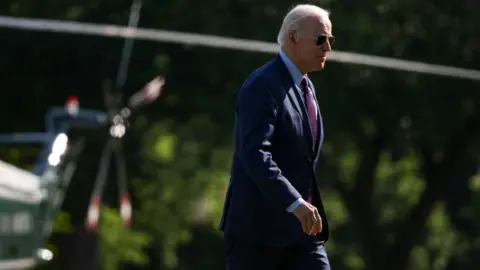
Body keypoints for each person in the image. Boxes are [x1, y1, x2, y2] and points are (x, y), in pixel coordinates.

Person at [219, 4, 335, 270]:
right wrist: (295, 203)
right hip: (257, 235)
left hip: (302, 235)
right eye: (321, 39)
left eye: (330, 40)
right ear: (293, 37)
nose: (327, 48)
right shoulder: (263, 85)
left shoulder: (306, 86)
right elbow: (255, 153)